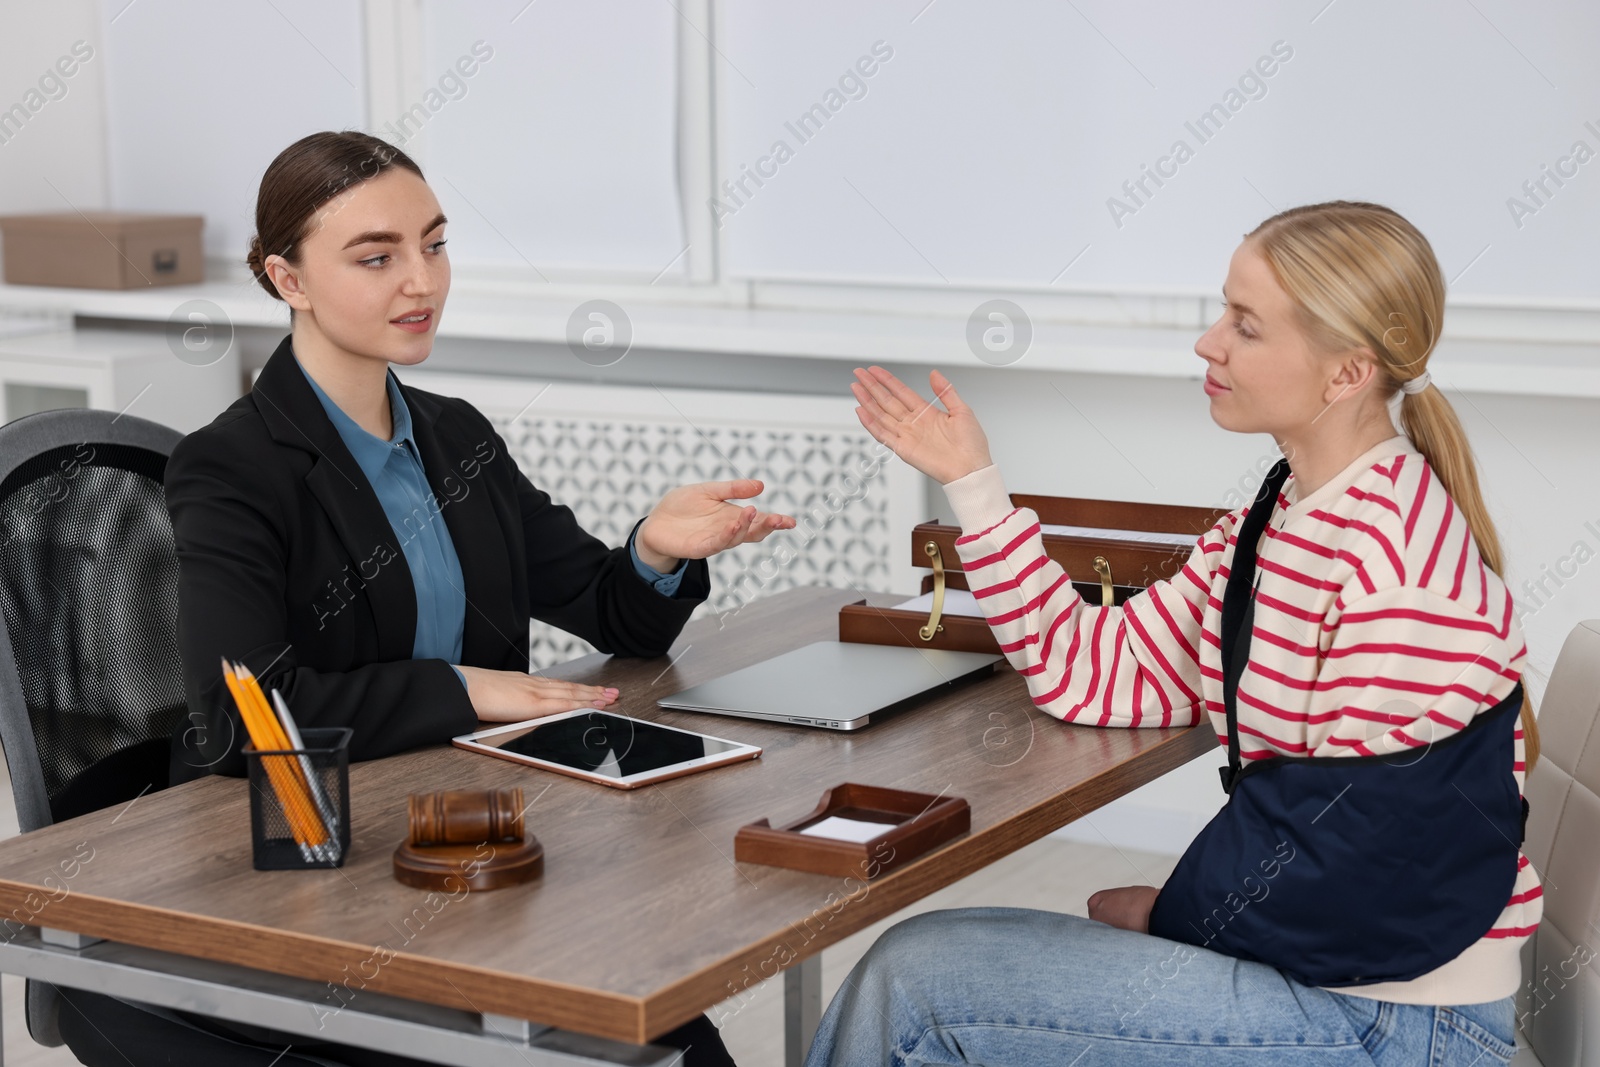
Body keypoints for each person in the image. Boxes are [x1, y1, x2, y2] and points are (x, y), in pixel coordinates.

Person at [57, 131, 778, 1067]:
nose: (421, 281)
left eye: (434, 245)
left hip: (457, 835)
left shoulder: (455, 437)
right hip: (307, 870)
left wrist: (653, 549)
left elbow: (617, 617)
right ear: (289, 279)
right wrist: (464, 689)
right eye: (377, 256)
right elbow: (247, 714)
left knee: (661, 1011)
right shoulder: (233, 466)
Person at [812, 201, 1541, 1066]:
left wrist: (1174, 914)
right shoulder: (1275, 520)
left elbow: (1367, 858)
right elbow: (1090, 670)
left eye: (1245, 324)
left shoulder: (1402, 567)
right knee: (915, 965)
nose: (1209, 343)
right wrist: (974, 485)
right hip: (1332, 970)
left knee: (915, 987)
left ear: (1346, 371)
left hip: (1398, 1021)